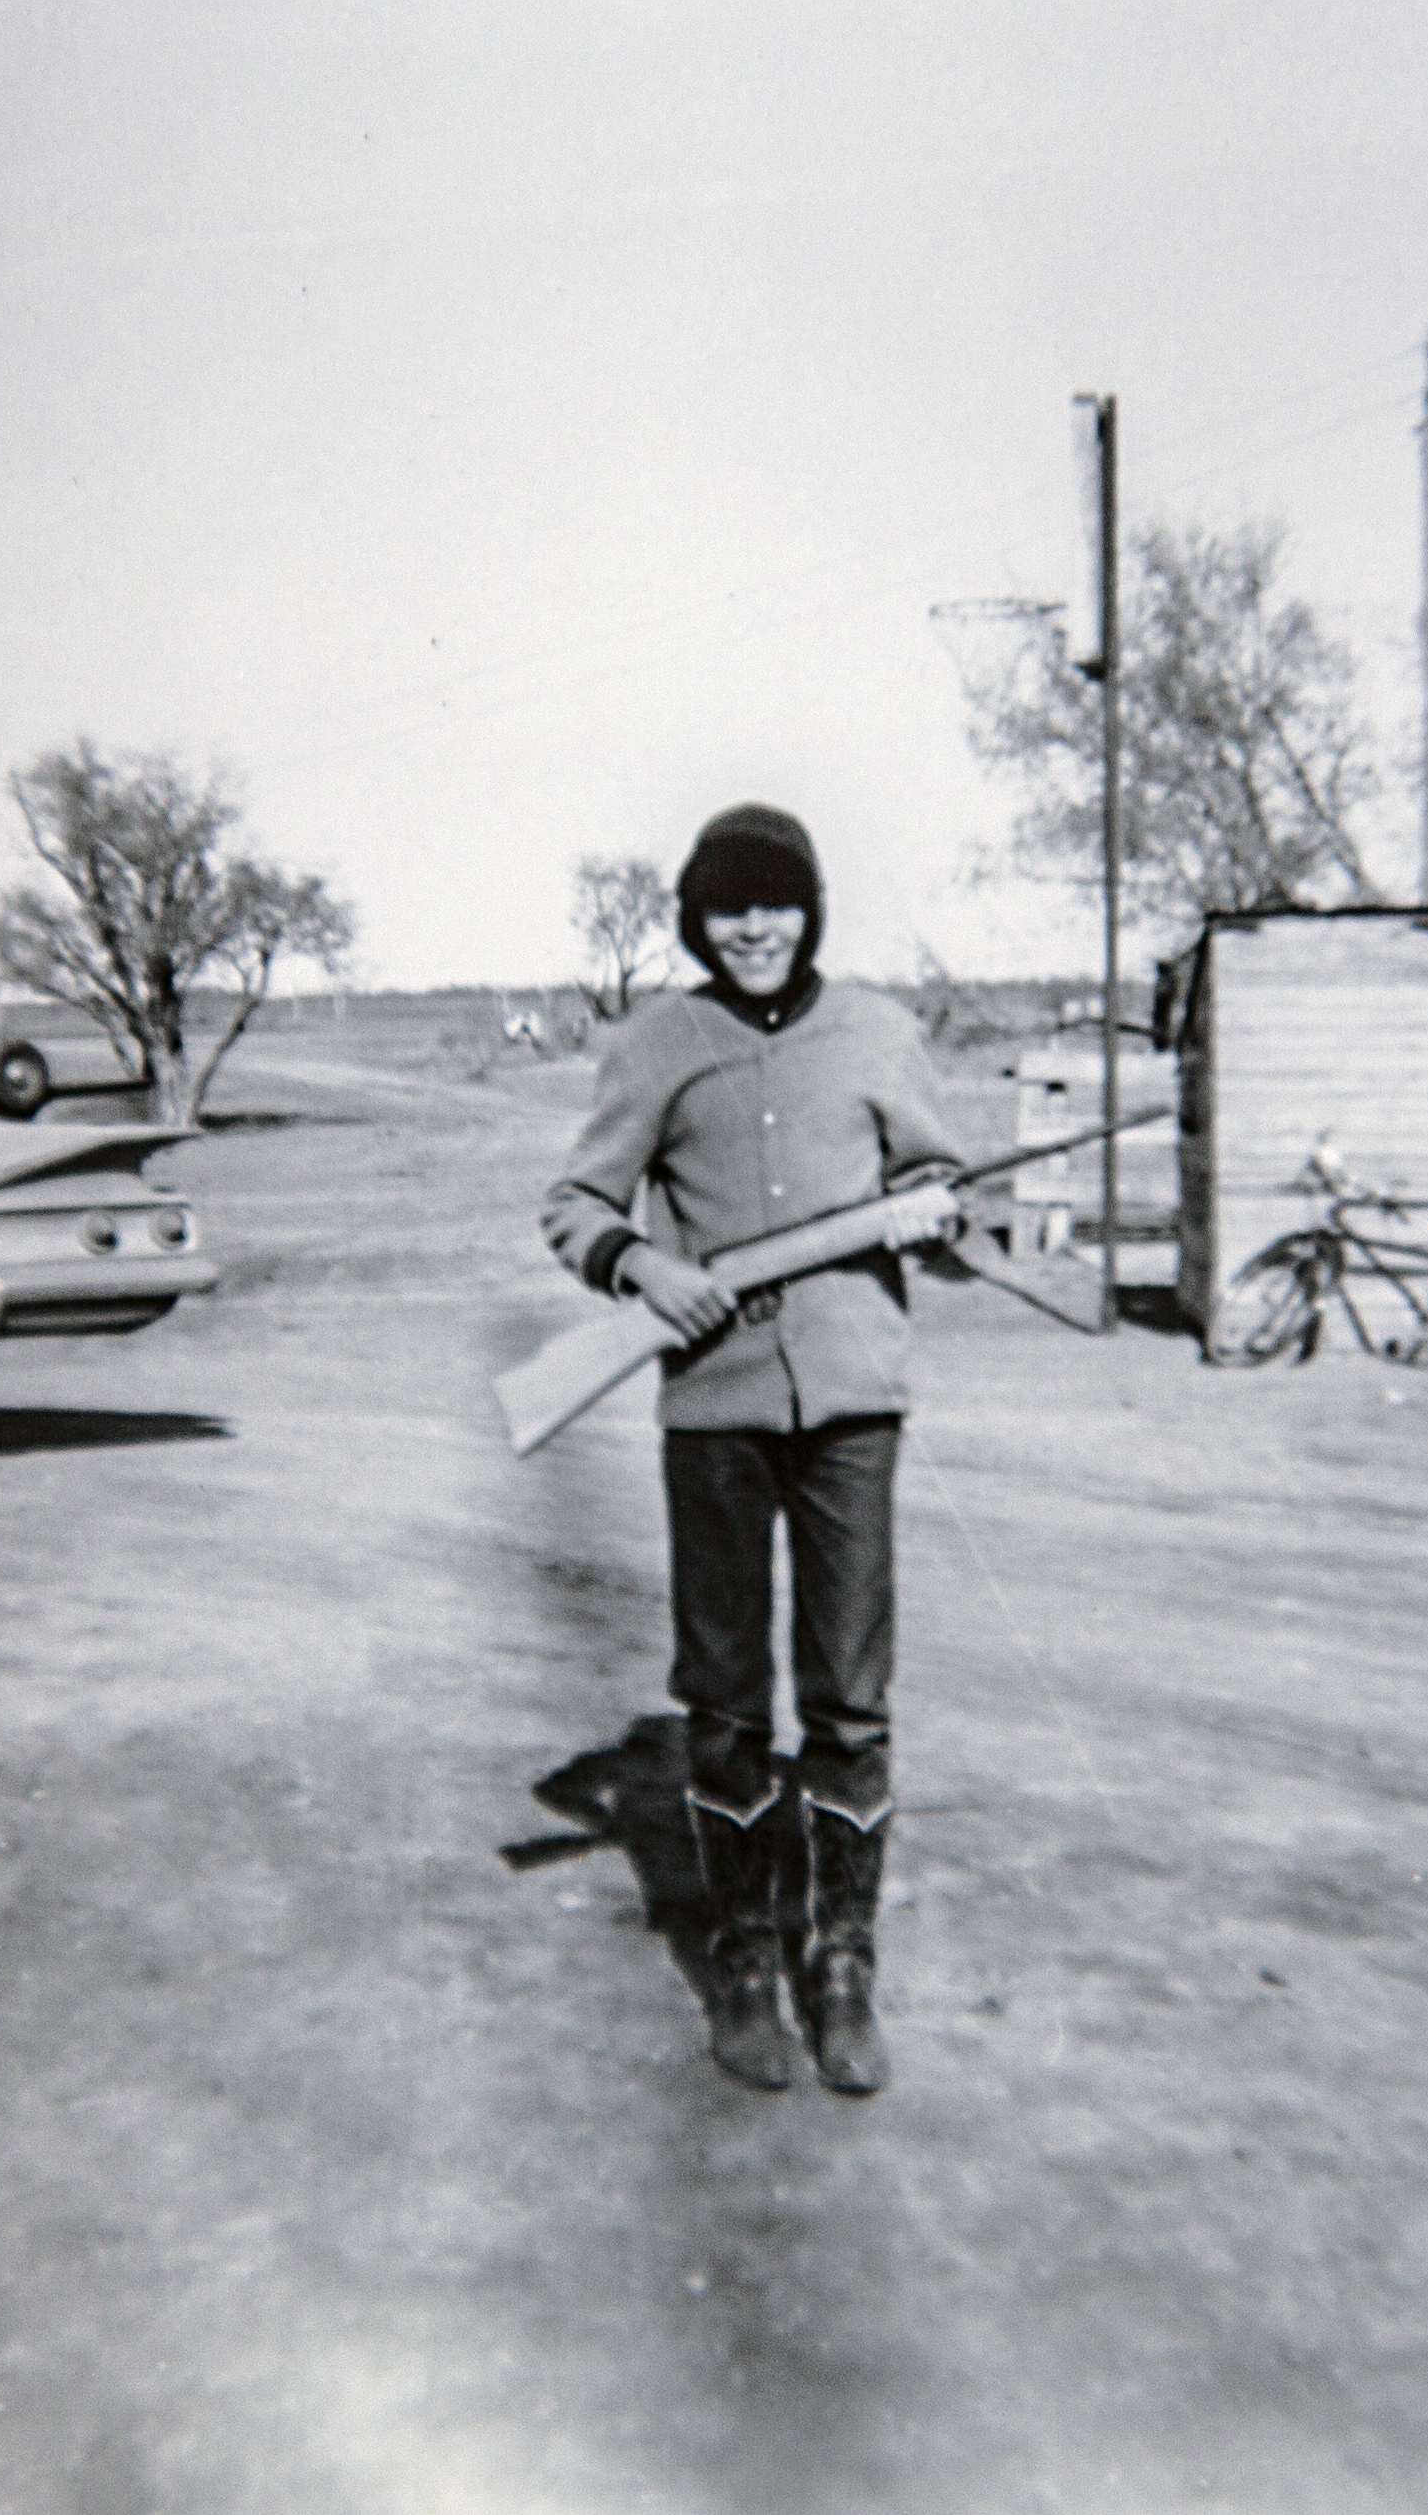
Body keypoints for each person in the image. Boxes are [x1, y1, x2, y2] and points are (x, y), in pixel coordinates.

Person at [541, 804, 961, 2095]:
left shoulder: (883, 1033)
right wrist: (642, 1269)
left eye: (776, 904)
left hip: (851, 1409)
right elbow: (574, 1204)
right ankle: (740, 1956)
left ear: (811, 910)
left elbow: (947, 1203)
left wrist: (946, 1214)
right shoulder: (657, 1044)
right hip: (713, 1412)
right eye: (729, 909)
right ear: (697, 923)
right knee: (722, 1697)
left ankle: (840, 1963)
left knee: (849, 1692)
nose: (755, 929)